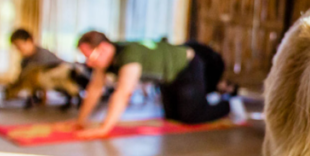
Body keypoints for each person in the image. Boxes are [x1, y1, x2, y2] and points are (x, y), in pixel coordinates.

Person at [73, 31, 239, 138]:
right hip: (166, 78)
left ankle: (229, 104)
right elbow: (94, 89)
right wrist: (81, 121)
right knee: (172, 117)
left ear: (103, 48)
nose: (88, 63)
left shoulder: (128, 55)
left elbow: (123, 93)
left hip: (187, 67)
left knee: (192, 117)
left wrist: (104, 129)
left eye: (90, 56)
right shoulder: (106, 61)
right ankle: (213, 95)